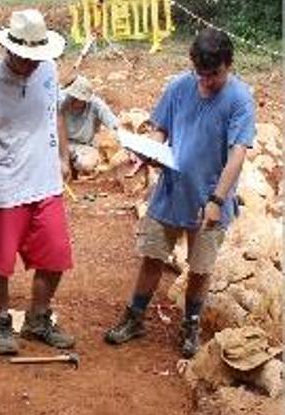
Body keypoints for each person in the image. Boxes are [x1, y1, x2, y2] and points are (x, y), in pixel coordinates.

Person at [104, 29, 256, 358]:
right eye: (199, 73)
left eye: (212, 75)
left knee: (200, 269)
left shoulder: (240, 99)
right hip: (170, 192)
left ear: (228, 65)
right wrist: (148, 151)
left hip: (209, 200)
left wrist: (217, 200)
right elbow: (161, 129)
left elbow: (238, 152)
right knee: (152, 258)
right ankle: (135, 317)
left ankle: (190, 325)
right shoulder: (178, 86)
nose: (205, 82)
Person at [0, 9, 76, 355]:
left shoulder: (48, 70)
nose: (34, 63)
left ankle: (38, 318)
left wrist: (64, 156)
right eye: (26, 57)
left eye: (38, 56)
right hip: (2, 185)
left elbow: (55, 112)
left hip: (45, 182)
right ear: (10, 50)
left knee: (55, 257)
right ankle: (2, 320)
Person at [60, 75, 119, 179]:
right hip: (61, 143)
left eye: (78, 99)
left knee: (86, 164)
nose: (74, 101)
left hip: (83, 146)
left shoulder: (96, 105)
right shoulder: (61, 100)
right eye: (72, 97)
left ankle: (74, 167)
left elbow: (114, 124)